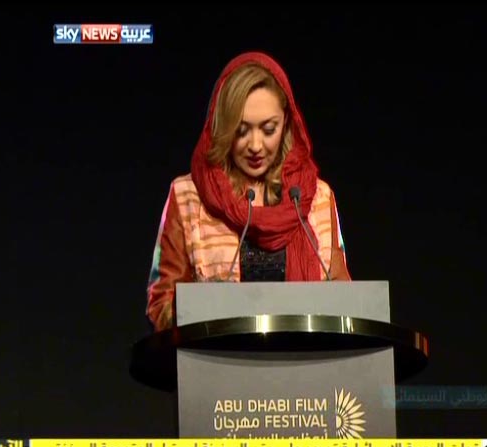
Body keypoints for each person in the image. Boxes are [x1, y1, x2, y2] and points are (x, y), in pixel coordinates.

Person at [145, 51, 351, 332]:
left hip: (306, 357)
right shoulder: (187, 196)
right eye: (241, 131)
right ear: (223, 127)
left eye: (268, 129)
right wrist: (194, 316)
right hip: (215, 358)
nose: (255, 145)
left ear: (286, 123)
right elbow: (161, 303)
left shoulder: (317, 197)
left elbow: (344, 299)